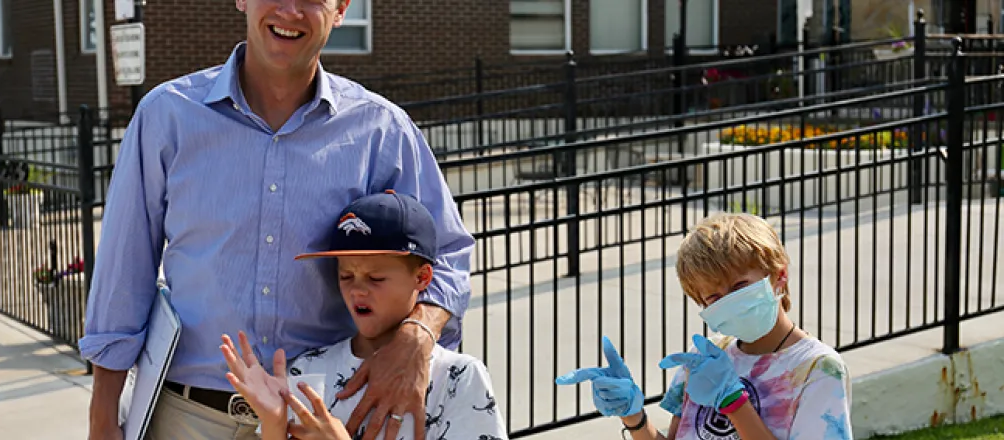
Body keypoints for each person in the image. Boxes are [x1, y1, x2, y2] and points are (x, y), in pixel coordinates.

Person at [79, 0, 475, 438]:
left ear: (341, 7)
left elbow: (448, 253)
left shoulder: (380, 131)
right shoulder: (166, 116)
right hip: (187, 415)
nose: (290, 10)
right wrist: (102, 414)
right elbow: (123, 272)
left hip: (320, 418)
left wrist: (417, 336)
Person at [220, 191, 508, 440]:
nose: (357, 290)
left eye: (376, 278)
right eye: (346, 275)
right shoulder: (307, 369)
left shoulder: (459, 377)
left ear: (422, 277)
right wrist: (273, 424)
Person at [555, 212, 853, 439]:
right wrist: (635, 418)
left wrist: (734, 402)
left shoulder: (818, 368)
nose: (729, 300)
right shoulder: (709, 356)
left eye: (740, 286)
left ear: (780, 275)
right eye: (714, 296)